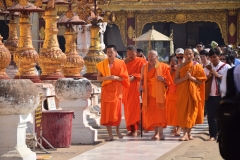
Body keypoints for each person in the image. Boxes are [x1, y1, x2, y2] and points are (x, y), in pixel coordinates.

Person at [96, 45, 130, 141]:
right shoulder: (102, 64)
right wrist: (107, 78)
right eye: (108, 52)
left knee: (116, 112)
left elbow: (125, 78)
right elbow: (98, 78)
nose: (109, 54)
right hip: (106, 90)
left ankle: (118, 131)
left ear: (116, 52)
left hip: (116, 91)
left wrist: (115, 78)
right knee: (106, 113)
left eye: (111, 52)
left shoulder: (121, 63)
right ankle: (110, 134)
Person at [174, 47, 206, 141]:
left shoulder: (198, 66)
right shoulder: (179, 66)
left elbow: (201, 81)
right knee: (183, 113)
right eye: (186, 54)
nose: (188, 56)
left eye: (190, 54)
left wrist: (191, 78)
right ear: (183, 55)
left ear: (193, 55)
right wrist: (184, 78)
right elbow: (175, 80)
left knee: (191, 113)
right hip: (182, 93)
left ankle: (188, 133)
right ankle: (184, 133)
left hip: (193, 93)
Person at [139, 50, 173, 140]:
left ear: (157, 57)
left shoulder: (162, 66)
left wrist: (163, 79)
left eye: (152, 56)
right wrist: (140, 86)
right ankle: (155, 133)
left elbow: (169, 82)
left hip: (159, 93)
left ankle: (161, 133)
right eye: (149, 56)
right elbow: (141, 79)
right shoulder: (144, 67)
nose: (150, 58)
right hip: (148, 93)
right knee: (152, 113)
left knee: (160, 112)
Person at [204, 48, 231, 141]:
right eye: (211, 57)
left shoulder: (226, 67)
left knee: (223, 116)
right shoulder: (207, 68)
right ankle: (213, 135)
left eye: (214, 56)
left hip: (222, 95)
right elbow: (203, 80)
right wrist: (209, 76)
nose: (213, 59)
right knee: (211, 116)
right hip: (210, 95)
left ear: (219, 56)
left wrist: (218, 75)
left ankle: (223, 134)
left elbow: (230, 79)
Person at [123, 45, 147, 136]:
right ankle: (132, 129)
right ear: (126, 54)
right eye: (129, 54)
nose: (131, 56)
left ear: (136, 53)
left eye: (132, 54)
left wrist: (135, 76)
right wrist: (126, 77)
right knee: (128, 109)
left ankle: (138, 129)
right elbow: (121, 73)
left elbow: (145, 73)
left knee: (137, 109)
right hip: (127, 88)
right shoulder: (123, 62)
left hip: (137, 88)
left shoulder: (141, 61)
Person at [166, 55, 181, 136]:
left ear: (177, 64)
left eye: (173, 65)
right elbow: (166, 82)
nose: (172, 67)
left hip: (178, 94)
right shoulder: (167, 71)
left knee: (177, 113)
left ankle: (178, 129)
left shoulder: (180, 71)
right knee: (171, 112)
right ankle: (174, 128)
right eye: (171, 65)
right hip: (170, 94)